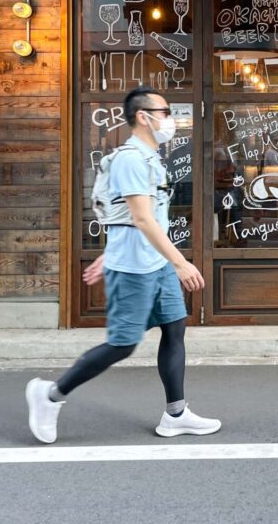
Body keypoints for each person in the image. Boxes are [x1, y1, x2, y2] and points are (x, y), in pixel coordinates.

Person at [25, 87, 220, 444]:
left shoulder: (150, 157)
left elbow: (129, 217)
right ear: (143, 116)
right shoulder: (131, 158)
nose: (171, 119)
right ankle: (50, 395)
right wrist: (180, 263)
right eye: (165, 112)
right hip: (134, 269)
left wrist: (109, 252)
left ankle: (175, 414)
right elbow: (143, 219)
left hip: (152, 263)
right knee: (123, 344)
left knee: (175, 329)